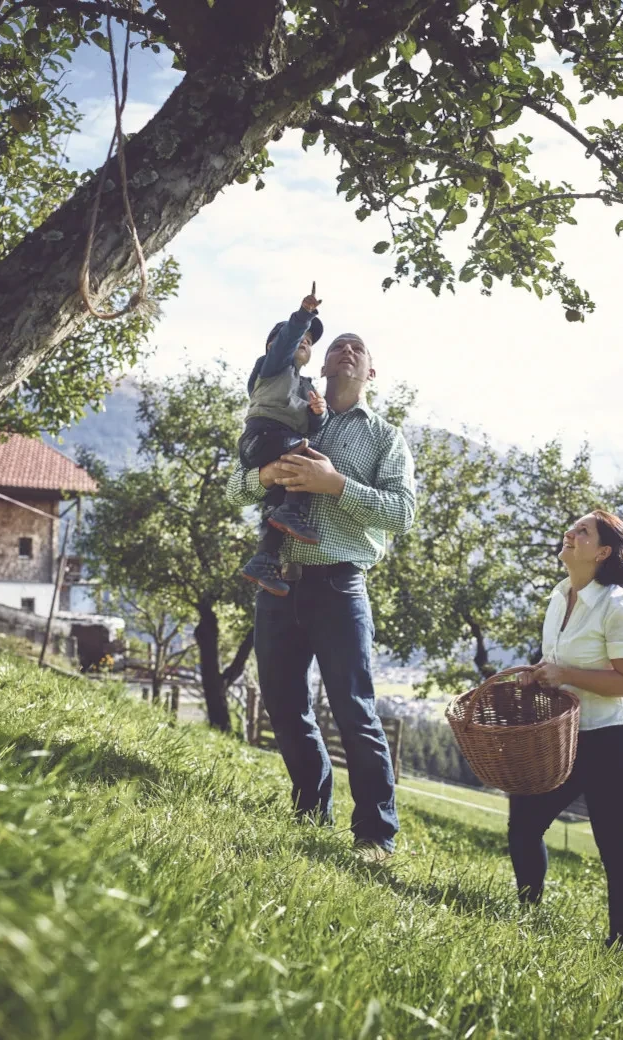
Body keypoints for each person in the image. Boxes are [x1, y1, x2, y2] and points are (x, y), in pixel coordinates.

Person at [227, 329, 416, 863]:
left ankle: (376, 833)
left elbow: (402, 513)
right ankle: (311, 812)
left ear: (370, 373)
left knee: (354, 711)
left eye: (359, 349)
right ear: (323, 361)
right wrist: (263, 475)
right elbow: (235, 487)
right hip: (277, 582)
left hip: (339, 584)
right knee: (285, 708)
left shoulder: (384, 437)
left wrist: (336, 485)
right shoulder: (290, 410)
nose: (347, 350)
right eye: (339, 345)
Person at [507, 509, 623, 950]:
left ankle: (620, 947)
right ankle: (528, 915)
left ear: (603, 552)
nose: (570, 533)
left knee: (614, 852)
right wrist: (541, 674)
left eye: (582, 531)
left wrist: (564, 674)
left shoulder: (619, 607)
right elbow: (559, 665)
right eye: (572, 528)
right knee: (524, 826)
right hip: (561, 738)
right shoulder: (560, 594)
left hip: (611, 744)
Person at [238, 285, 327, 597]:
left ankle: (264, 559)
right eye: (298, 337)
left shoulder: (306, 386)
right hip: (263, 436)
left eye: (309, 342)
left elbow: (311, 426)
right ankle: (290, 513)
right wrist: (304, 316)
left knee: (277, 507)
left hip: (278, 444)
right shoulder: (272, 367)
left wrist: (319, 413)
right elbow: (286, 341)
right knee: (310, 462)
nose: (303, 340)